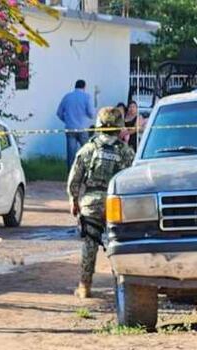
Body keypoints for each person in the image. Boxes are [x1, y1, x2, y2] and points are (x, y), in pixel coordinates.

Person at [67, 106, 134, 299]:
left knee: (90, 244)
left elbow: (74, 179)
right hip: (115, 204)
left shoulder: (88, 149)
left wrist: (73, 199)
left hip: (90, 204)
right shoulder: (126, 152)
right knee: (118, 245)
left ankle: (85, 287)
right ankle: (122, 288)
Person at [56, 80, 95, 169]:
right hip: (83, 129)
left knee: (71, 154)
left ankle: (70, 174)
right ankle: (86, 172)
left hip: (70, 129)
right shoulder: (87, 97)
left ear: (75, 86)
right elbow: (91, 114)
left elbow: (59, 113)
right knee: (86, 151)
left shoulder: (67, 97)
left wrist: (67, 121)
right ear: (84, 87)